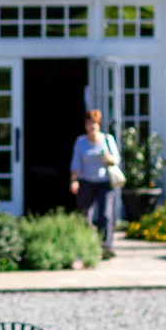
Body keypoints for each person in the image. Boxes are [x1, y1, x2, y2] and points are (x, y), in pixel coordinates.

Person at [70, 109, 124, 256]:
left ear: (99, 124)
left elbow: (116, 159)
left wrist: (109, 159)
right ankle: (86, 243)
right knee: (84, 214)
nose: (92, 126)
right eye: (89, 122)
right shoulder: (81, 142)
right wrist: (74, 181)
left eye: (94, 122)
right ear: (85, 125)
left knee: (105, 214)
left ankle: (106, 246)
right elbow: (76, 164)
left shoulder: (107, 140)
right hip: (87, 181)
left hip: (104, 182)